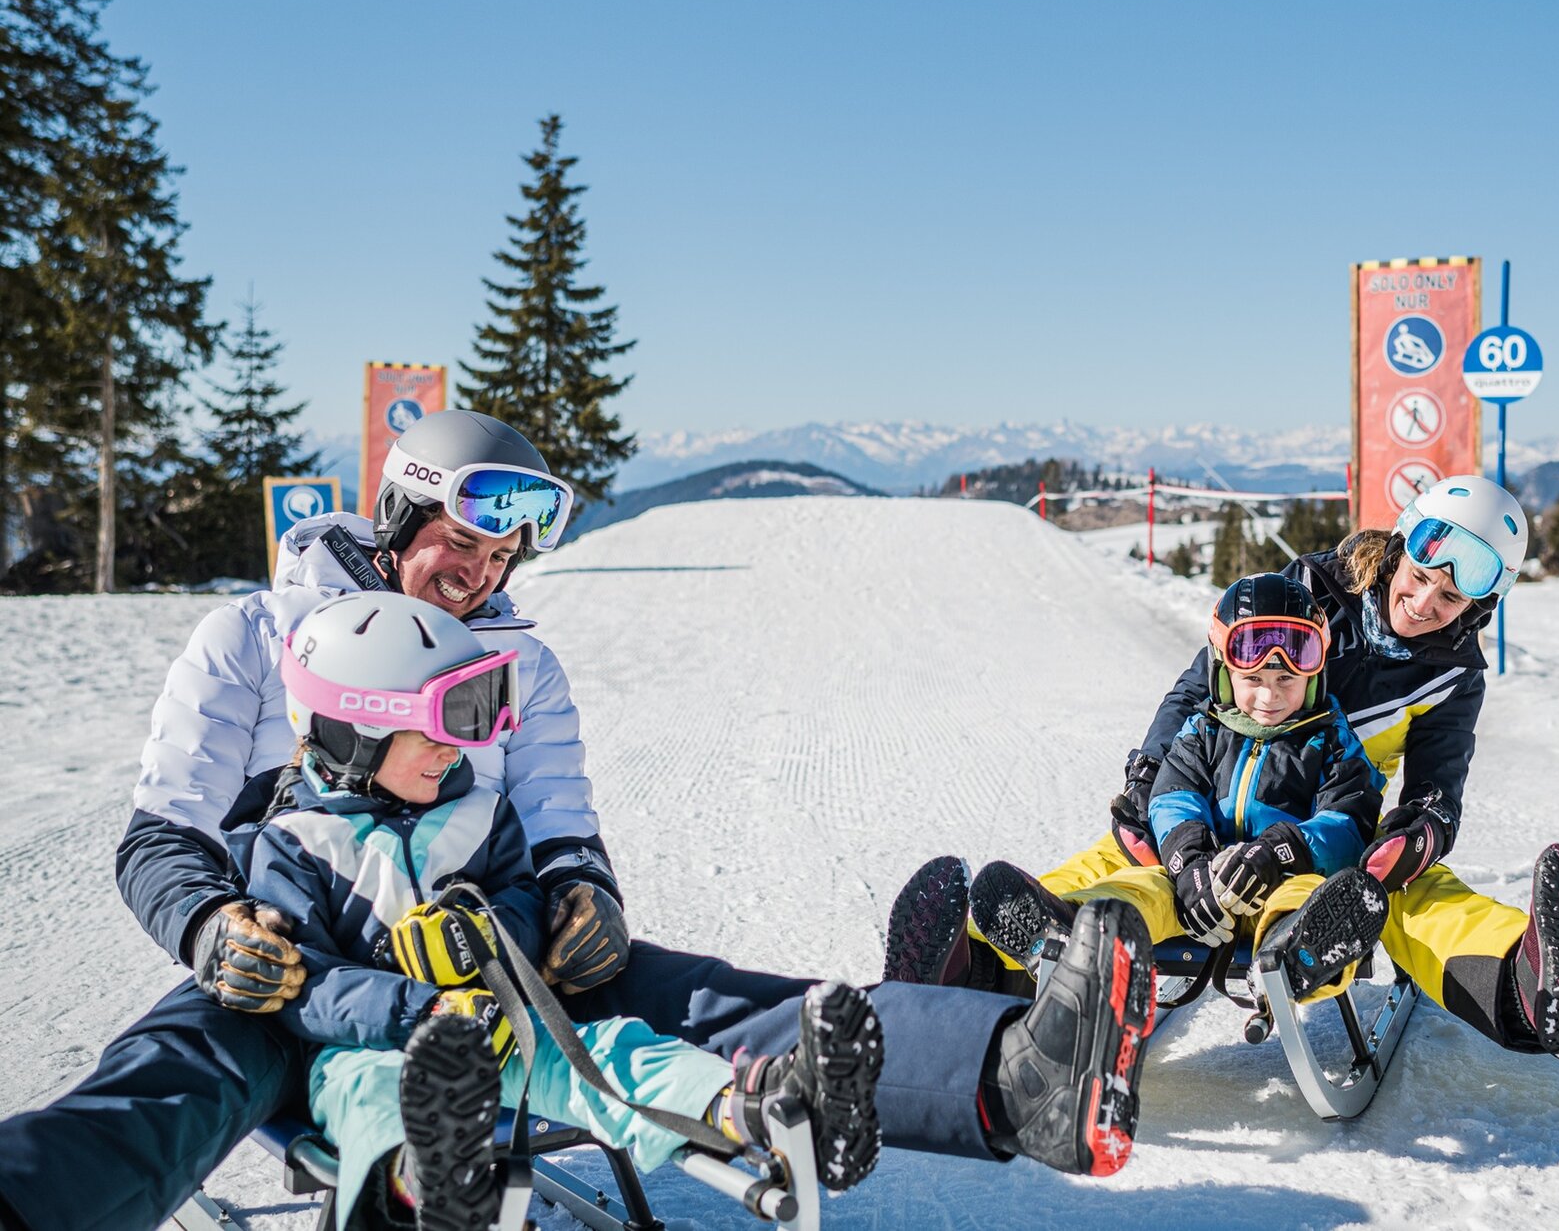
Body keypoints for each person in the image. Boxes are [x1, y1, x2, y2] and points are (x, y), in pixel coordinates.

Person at [0, 411, 1150, 1231]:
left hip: (477, 938)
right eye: (461, 542)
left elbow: (555, 820)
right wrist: (208, 927)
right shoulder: (251, 639)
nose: (478, 574)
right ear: (401, 515)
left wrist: (582, 893)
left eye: (502, 554)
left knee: (698, 998)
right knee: (178, 1068)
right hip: (292, 952)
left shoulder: (519, 660)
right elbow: (160, 835)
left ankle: (1015, 1077)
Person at [889, 476, 1559, 1064]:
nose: (1424, 603)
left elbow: (1434, 789)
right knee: (1126, 869)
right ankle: (981, 960)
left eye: (1451, 596)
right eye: (1421, 575)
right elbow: (1195, 693)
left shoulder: (1452, 675)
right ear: (1399, 546)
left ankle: (1527, 981)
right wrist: (1151, 784)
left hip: (1331, 828)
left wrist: (1408, 842)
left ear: (1479, 607)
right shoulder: (1304, 596)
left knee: (1405, 894)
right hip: (1208, 809)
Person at [238, 591, 884, 1228]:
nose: (459, 747)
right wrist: (422, 1011)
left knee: (612, 1053)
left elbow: (524, 897)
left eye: (476, 719)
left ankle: (769, 1105)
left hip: (503, 1026)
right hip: (364, 1050)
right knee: (375, 1096)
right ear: (355, 730)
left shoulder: (478, 814)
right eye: (442, 726)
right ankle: (428, 1182)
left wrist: (485, 936)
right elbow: (306, 981)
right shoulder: (296, 845)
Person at [954, 573, 1397, 1005]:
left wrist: (1278, 852)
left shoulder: (1333, 742)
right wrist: (1190, 865)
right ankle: (1075, 930)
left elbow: (1348, 821)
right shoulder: (1203, 731)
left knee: (1303, 900)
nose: (1269, 697)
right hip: (1197, 890)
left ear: (1313, 678)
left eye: (1286, 681)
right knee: (1144, 887)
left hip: (1281, 883)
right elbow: (1172, 797)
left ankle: (1294, 958)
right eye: (1254, 681)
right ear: (1224, 675)